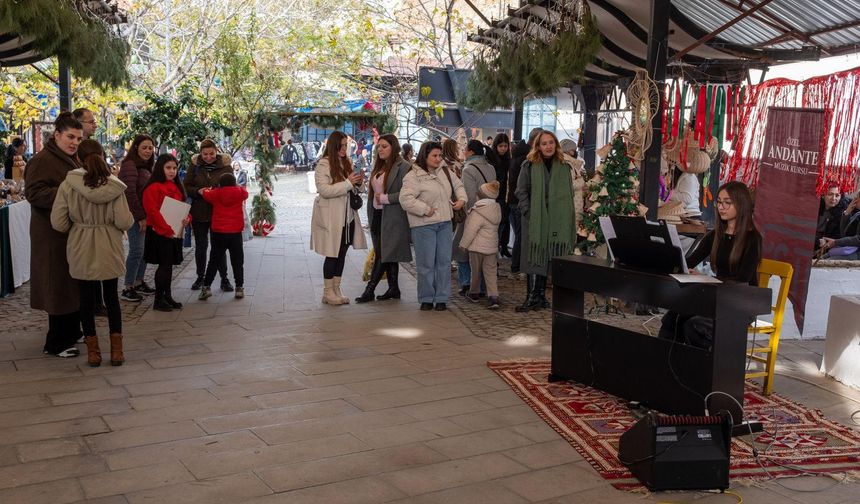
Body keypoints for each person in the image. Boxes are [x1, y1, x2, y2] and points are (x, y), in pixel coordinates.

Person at [50, 140, 134, 367]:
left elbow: (58, 222)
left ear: (79, 157)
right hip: (109, 244)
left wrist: (78, 225)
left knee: (85, 301)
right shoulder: (115, 186)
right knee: (112, 298)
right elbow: (124, 221)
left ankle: (93, 352)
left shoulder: (69, 185)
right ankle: (117, 351)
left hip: (81, 243)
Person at [659, 181, 762, 349]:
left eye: (727, 202)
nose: (721, 207)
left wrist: (704, 278)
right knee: (674, 317)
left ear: (741, 204)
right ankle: (667, 367)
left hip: (740, 304)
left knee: (695, 326)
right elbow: (688, 262)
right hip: (715, 299)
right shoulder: (715, 235)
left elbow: (742, 279)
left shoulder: (753, 239)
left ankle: (701, 370)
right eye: (719, 202)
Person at [24, 112, 85, 358]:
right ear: (57, 134)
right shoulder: (42, 160)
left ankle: (71, 332)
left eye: (78, 139)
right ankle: (57, 341)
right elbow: (35, 193)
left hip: (67, 232)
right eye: (70, 137)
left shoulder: (70, 158)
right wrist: (67, 195)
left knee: (69, 285)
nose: (74, 142)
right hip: (50, 234)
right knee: (56, 285)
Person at [515, 130, 582, 312]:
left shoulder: (563, 166)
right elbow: (521, 191)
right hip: (535, 219)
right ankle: (531, 297)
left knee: (548, 256)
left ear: (556, 145)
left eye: (551, 142)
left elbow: (568, 193)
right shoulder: (528, 165)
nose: (548, 146)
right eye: (544, 143)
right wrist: (529, 211)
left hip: (555, 220)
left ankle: (541, 296)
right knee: (534, 255)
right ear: (538, 146)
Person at [400, 141, 467, 311]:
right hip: (423, 225)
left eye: (440, 155)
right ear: (425, 156)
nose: (438, 159)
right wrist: (425, 209)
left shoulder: (445, 170)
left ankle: (442, 298)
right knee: (426, 263)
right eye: (434, 156)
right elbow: (405, 199)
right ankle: (427, 298)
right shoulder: (413, 175)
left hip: (444, 222)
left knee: (444, 262)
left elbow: (458, 186)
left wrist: (461, 200)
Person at [310, 130, 368, 305]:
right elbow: (324, 190)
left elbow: (355, 189)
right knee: (332, 253)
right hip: (331, 216)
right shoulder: (324, 164)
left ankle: (336, 288)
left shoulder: (347, 162)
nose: (344, 148)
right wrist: (349, 183)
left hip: (347, 216)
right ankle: (328, 291)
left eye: (346, 145)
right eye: (341, 145)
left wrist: (359, 182)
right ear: (333, 145)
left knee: (342, 252)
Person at [355, 134, 412, 303]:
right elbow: (373, 191)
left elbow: (408, 193)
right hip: (377, 215)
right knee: (388, 253)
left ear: (393, 147)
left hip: (394, 216)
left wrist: (387, 198)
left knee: (383, 253)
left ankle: (369, 290)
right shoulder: (379, 165)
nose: (380, 149)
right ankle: (394, 288)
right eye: (379, 146)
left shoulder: (404, 167)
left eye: (384, 146)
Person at [142, 154, 190, 312]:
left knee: (168, 266)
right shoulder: (153, 187)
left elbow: (182, 206)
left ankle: (167, 296)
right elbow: (153, 211)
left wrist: (186, 218)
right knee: (163, 266)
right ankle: (158, 299)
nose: (172, 171)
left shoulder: (176, 186)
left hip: (173, 231)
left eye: (174, 168)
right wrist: (166, 229)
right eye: (168, 168)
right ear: (160, 168)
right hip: (159, 231)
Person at [184, 139, 234, 292]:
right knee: (201, 246)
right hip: (199, 211)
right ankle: (201, 277)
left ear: (216, 151)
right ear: (200, 153)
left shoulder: (224, 165)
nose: (208, 157)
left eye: (211, 153)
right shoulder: (195, 165)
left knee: (218, 247)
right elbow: (186, 185)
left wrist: (217, 191)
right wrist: (198, 191)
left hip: (218, 212)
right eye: (204, 154)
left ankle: (224, 278)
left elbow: (231, 186)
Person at [454, 139, 496, 297]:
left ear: (470, 152)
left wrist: (466, 213)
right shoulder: (491, 167)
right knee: (485, 251)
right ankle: (484, 287)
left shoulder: (468, 169)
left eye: (465, 149)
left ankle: (466, 283)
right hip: (489, 213)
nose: (463, 151)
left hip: (473, 214)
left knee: (462, 250)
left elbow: (469, 196)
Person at [198, 172, 249, 300]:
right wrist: (236, 186)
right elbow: (245, 193)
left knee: (214, 261)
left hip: (219, 233)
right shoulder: (239, 193)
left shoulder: (216, 193)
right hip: (235, 233)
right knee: (237, 261)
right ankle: (239, 288)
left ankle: (206, 288)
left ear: (220, 183)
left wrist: (202, 191)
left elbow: (205, 194)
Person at [118, 134, 156, 302]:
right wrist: (140, 216)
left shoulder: (146, 166)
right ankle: (128, 286)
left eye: (150, 148)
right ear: (136, 148)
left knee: (144, 250)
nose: (148, 151)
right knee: (136, 250)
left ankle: (139, 282)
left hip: (145, 215)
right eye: (144, 148)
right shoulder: (129, 165)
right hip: (134, 215)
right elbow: (129, 192)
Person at [459, 181, 502, 309]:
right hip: (491, 247)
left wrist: (463, 244)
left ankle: (474, 293)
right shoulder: (496, 210)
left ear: (479, 196)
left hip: (476, 248)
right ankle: (493, 296)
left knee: (476, 272)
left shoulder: (478, 211)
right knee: (491, 272)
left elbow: (470, 230)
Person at [509, 130, 541, 274]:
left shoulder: (518, 155)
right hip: (520, 203)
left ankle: (518, 266)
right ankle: (517, 267)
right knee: (522, 237)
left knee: (520, 236)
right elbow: (521, 187)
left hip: (516, 202)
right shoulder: (527, 159)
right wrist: (527, 206)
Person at [489, 134, 512, 257]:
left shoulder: (509, 160)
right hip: (495, 197)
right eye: (500, 146)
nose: (503, 148)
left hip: (505, 196)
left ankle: (504, 246)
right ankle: (496, 247)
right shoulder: (492, 160)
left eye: (505, 146)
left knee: (505, 222)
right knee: (497, 224)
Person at [821, 194, 860, 260]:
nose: (854, 198)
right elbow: (844, 234)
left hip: (856, 253)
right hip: (848, 249)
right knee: (822, 258)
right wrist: (847, 212)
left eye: (857, 196)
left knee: (828, 261)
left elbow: (858, 239)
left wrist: (836, 242)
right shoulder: (857, 214)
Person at [816, 184, 850, 249]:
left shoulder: (843, 211)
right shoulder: (815, 205)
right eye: (830, 194)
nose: (833, 198)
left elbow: (840, 235)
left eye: (837, 195)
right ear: (823, 195)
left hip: (828, 246)